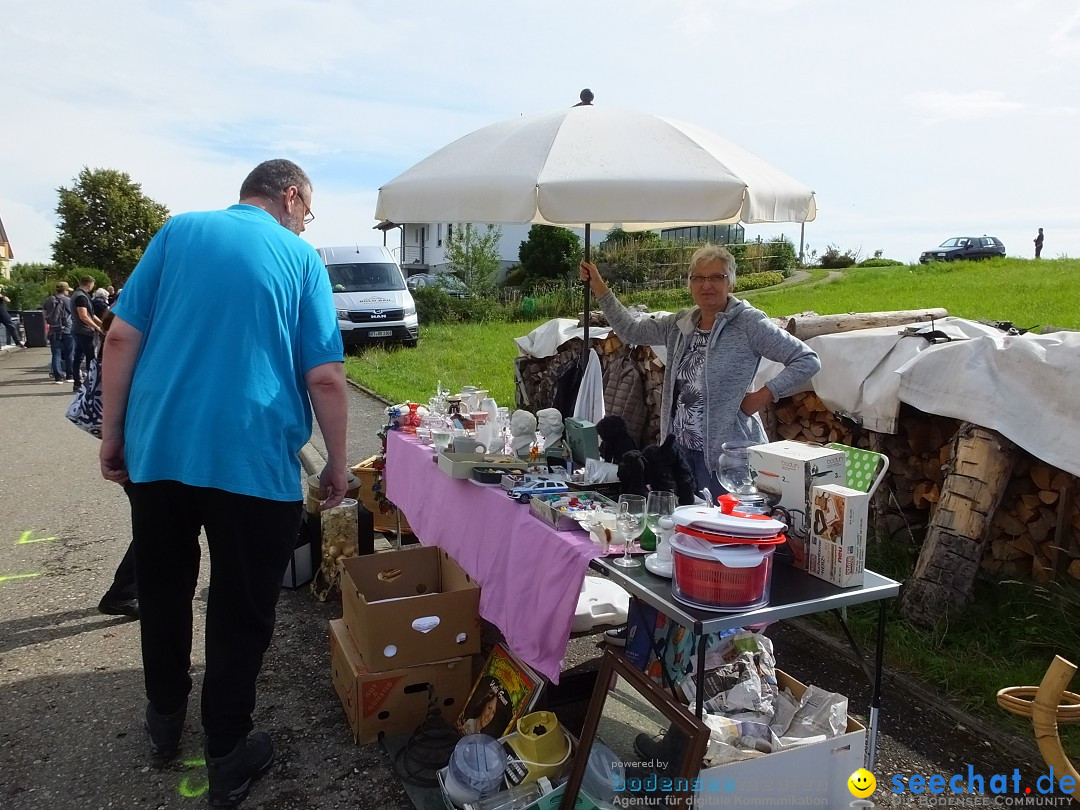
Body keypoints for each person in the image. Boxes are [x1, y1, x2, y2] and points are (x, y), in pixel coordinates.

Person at [99, 159, 348, 807]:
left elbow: (122, 337)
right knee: (239, 610)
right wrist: (338, 463)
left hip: (160, 452)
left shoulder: (178, 233)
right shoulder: (300, 258)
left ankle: (162, 720)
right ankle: (227, 753)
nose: (304, 221)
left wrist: (113, 434)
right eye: (307, 210)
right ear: (292, 197)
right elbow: (324, 376)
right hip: (252, 459)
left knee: (163, 587)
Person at [579, 245, 820, 498]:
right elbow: (631, 331)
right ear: (691, 284)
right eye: (699, 278)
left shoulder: (748, 323)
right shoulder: (681, 324)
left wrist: (764, 395)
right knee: (684, 530)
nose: (707, 285)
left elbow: (807, 360)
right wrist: (599, 287)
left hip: (726, 459)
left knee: (724, 532)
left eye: (717, 277)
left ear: (731, 283)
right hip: (680, 455)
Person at [70, 276, 104, 392]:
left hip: (78, 330)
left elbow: (91, 314)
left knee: (78, 357)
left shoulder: (80, 295)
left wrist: (102, 324)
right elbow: (84, 316)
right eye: (93, 285)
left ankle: (77, 383)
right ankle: (91, 383)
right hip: (84, 330)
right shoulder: (81, 297)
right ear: (89, 284)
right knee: (90, 357)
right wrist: (97, 327)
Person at [43, 282, 75, 382]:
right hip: (67, 330)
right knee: (70, 353)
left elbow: (45, 315)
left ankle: (58, 377)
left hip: (53, 330)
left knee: (56, 353)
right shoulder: (69, 300)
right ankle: (70, 375)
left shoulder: (47, 301)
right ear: (65, 290)